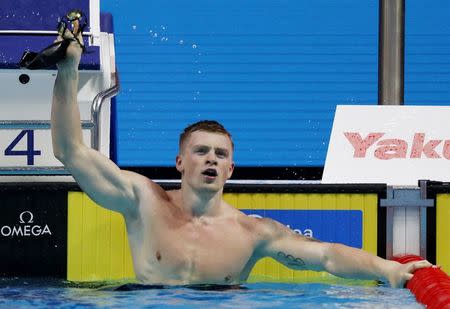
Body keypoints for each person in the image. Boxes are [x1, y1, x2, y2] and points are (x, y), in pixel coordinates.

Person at [51, 29, 432, 288]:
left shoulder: (252, 233)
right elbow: (70, 151)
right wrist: (68, 70)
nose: (210, 160)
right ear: (180, 162)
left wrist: (388, 269)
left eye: (220, 154)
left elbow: (327, 256)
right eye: (200, 151)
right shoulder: (143, 201)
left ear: (230, 168)